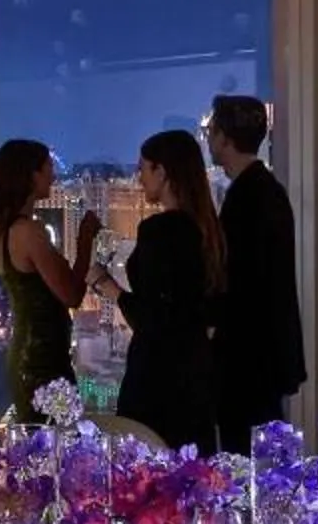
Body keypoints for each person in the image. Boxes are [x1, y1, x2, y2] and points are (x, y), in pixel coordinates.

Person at [96, 129, 224, 450]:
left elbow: (152, 319)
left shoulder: (160, 231)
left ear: (162, 172)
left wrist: (106, 286)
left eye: (143, 168)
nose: (138, 178)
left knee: (148, 479)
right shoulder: (209, 230)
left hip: (157, 378)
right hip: (197, 374)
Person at [204, 96, 306, 454]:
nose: (208, 138)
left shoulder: (251, 196)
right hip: (260, 355)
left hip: (249, 358)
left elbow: (242, 280)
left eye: (211, 130)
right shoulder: (261, 190)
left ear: (225, 138)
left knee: (248, 457)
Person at [0, 139, 92, 423]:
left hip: (30, 355)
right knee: (62, 448)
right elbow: (71, 294)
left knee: (42, 447)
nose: (53, 176)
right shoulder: (28, 232)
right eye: (47, 168)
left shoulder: (1, 229)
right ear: (31, 175)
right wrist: (85, 243)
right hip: (43, 362)